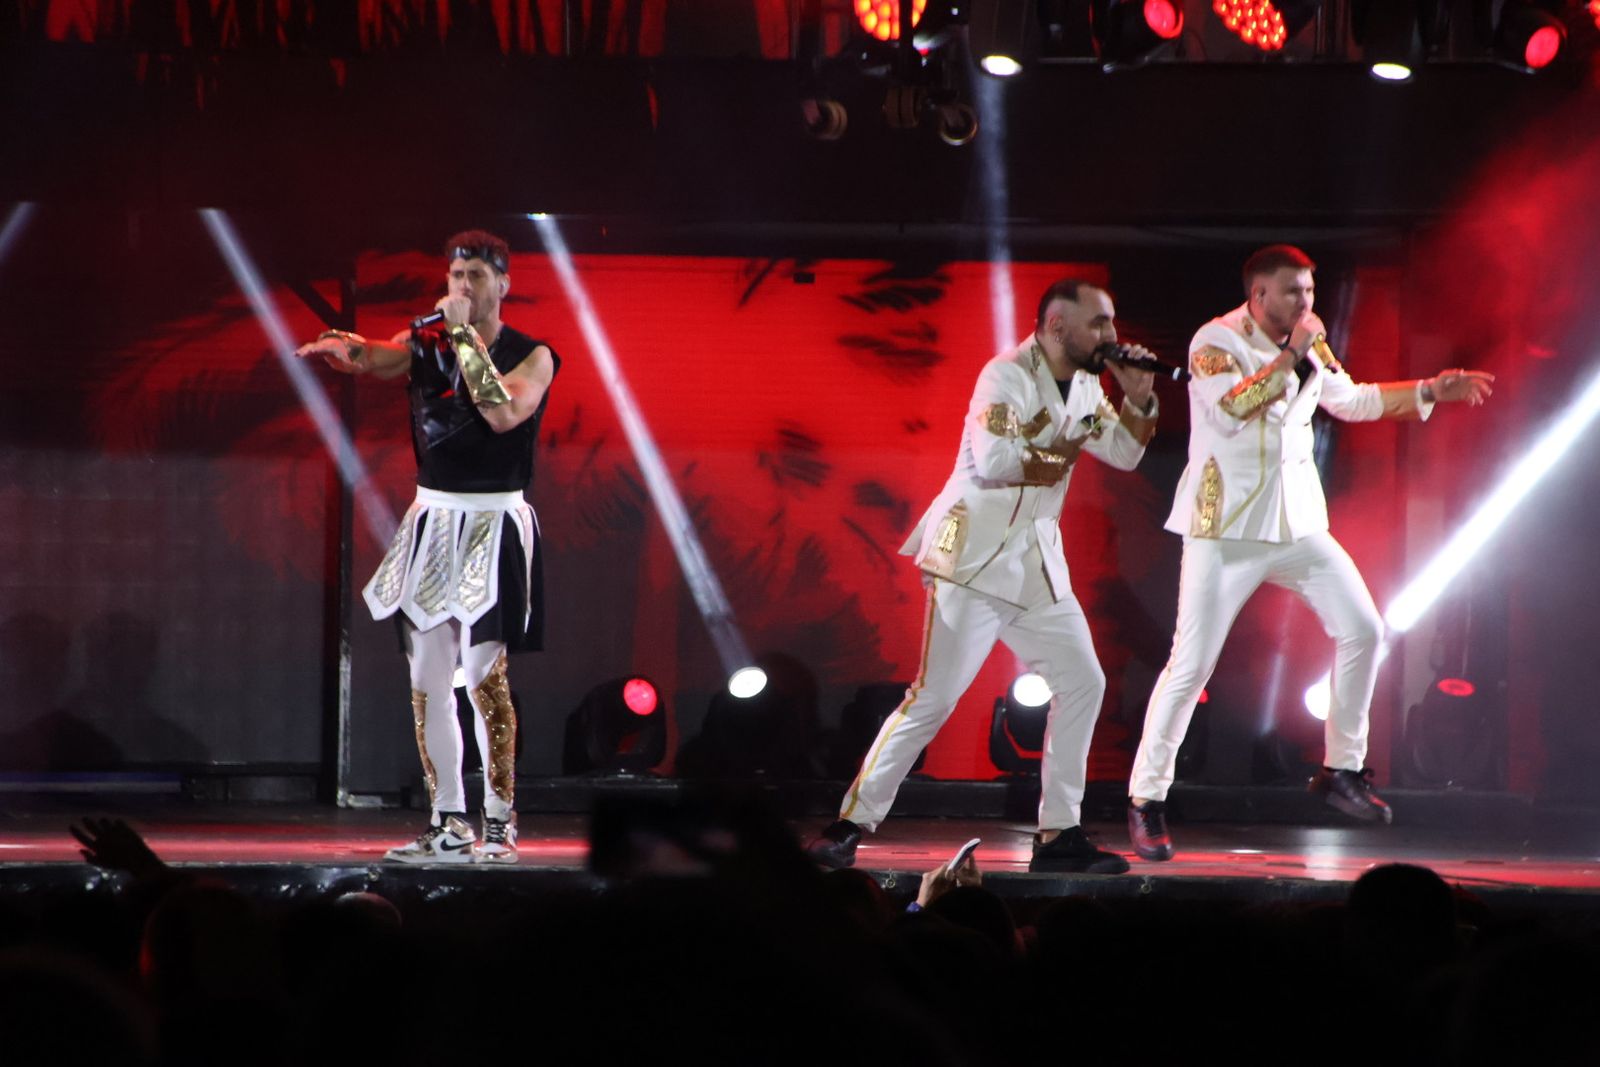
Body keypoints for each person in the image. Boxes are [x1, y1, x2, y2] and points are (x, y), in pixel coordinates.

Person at [1125, 245, 1493, 861]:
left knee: (1364, 629)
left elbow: (1350, 400)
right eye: (1294, 291)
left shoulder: (1310, 344)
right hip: (1226, 529)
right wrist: (1294, 352)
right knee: (1190, 666)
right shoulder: (1212, 341)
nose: (1306, 303)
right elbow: (1235, 409)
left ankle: (1341, 770)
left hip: (1296, 524)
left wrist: (1431, 389)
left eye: (1311, 292)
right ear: (1259, 295)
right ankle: (1145, 801)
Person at [807, 279, 1159, 874]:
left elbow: (1125, 453)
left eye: (1111, 322)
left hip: (1034, 564)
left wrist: (1140, 400)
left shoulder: (1087, 388)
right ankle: (849, 824)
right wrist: (1070, 444)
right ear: (1055, 327)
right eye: (1098, 323)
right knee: (935, 697)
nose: (1111, 336)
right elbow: (996, 460)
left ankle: (1058, 834)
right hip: (973, 558)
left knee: (1084, 681)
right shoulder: (1006, 375)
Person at [296, 230, 558, 864]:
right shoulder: (428, 346)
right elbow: (379, 359)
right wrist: (347, 349)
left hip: (493, 523)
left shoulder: (534, 354)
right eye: (456, 275)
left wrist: (464, 336)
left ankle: (500, 821)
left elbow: (500, 413)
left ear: (504, 285)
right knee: (428, 678)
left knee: (484, 681)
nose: (463, 286)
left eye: (476, 275)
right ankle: (448, 822)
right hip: (434, 520)